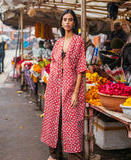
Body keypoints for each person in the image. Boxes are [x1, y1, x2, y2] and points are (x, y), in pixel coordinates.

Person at [41, 9, 87, 160]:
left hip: (71, 86)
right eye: (65, 19)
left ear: (74, 23)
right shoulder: (58, 42)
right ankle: (55, 155)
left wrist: (75, 92)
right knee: (54, 120)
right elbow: (53, 66)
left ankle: (74, 157)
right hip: (55, 85)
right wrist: (49, 88)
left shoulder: (78, 40)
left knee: (72, 123)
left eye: (70, 19)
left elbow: (81, 68)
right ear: (61, 23)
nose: (67, 22)